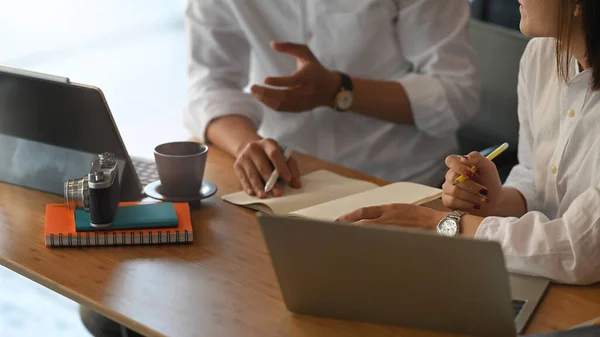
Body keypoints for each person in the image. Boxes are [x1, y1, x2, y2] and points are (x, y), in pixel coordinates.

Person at [338, 0, 600, 285]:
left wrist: (436, 223)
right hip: (548, 279)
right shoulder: (542, 55)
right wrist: (494, 200)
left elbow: (581, 249)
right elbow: (537, 182)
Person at [183, 0, 480, 198]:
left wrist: (338, 91)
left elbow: (456, 95)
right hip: (285, 182)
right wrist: (247, 145)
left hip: (399, 181)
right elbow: (209, 85)